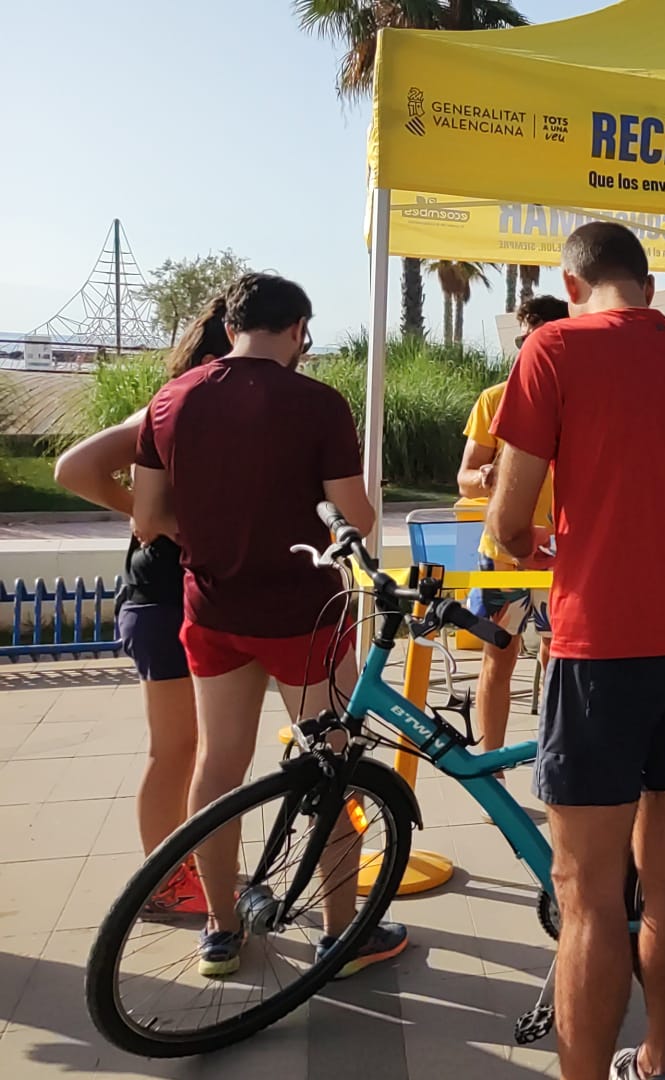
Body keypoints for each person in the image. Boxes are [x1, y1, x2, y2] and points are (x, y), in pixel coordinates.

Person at [486, 222, 665, 1080]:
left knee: (589, 894)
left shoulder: (554, 350)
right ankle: (658, 1057)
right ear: (648, 283)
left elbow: (505, 521)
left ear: (573, 284)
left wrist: (535, 542)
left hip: (603, 642)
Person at [130, 273, 399, 977]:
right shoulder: (317, 404)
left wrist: (216, 540)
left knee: (219, 764)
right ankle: (344, 934)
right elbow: (359, 519)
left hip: (213, 610)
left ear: (228, 326)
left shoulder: (172, 399)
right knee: (332, 766)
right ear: (300, 329)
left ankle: (220, 927)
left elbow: (148, 517)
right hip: (303, 617)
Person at [53, 297, 228, 916]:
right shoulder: (169, 407)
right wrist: (152, 518)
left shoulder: (224, 412)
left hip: (195, 600)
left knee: (204, 748)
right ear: (214, 358)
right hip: (161, 599)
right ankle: (164, 882)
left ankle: (188, 871)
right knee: (176, 748)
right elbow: (73, 468)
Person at [457, 293, 570, 757]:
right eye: (522, 338)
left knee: (560, 662)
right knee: (497, 659)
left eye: (537, 337)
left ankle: (553, 760)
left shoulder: (581, 401)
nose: (527, 347)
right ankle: (493, 767)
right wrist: (484, 478)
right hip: (503, 555)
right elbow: (464, 479)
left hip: (564, 554)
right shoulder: (495, 400)